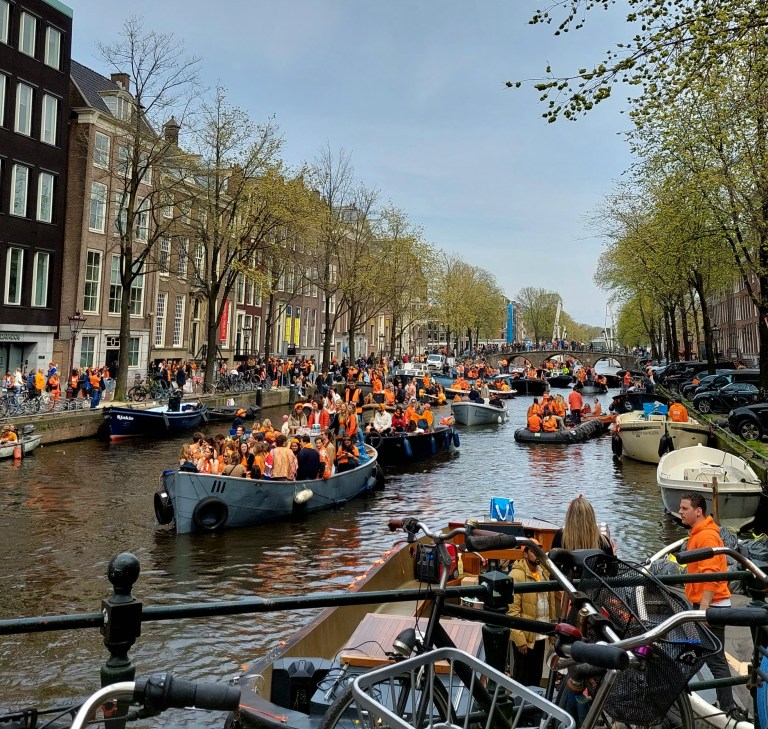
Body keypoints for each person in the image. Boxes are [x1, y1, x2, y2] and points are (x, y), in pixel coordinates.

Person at [678, 493, 748, 721]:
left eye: (684, 508)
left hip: (711, 605)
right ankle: (685, 690)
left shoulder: (706, 536)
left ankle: (727, 707)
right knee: (700, 652)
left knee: (714, 657)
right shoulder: (700, 533)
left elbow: (712, 573)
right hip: (708, 604)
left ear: (698, 511)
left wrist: (705, 607)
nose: (680, 511)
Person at [507, 540, 558, 687]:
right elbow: (512, 611)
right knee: (521, 677)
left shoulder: (544, 573)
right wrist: (519, 639)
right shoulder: (516, 575)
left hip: (540, 634)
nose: (538, 554)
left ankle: (532, 708)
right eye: (534, 551)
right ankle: (519, 706)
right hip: (525, 637)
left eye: (539, 551)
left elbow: (551, 604)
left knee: (535, 676)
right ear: (525, 553)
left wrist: (552, 631)